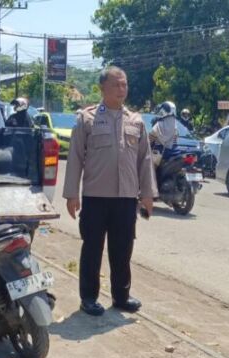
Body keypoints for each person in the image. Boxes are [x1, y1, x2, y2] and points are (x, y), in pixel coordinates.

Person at [63, 66, 158, 316]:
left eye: (124, 84)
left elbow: (144, 160)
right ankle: (89, 297)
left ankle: (121, 296)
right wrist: (72, 194)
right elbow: (75, 158)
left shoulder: (136, 121)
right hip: (95, 197)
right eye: (116, 85)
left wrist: (147, 194)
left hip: (125, 198)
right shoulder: (88, 118)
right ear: (102, 88)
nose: (121, 89)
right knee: (92, 248)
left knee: (123, 249)